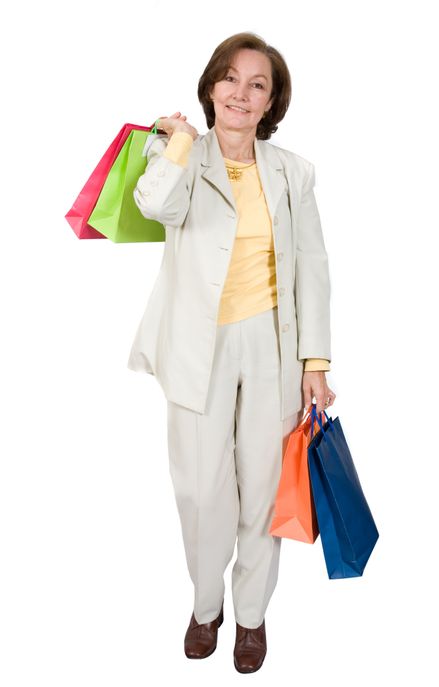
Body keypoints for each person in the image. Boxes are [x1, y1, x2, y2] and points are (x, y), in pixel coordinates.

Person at [128, 31, 336, 673]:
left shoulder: (292, 172)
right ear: (211, 84)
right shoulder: (179, 154)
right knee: (200, 491)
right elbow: (155, 204)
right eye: (230, 78)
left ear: (272, 102)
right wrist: (179, 142)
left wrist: (315, 362)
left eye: (258, 85)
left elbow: (311, 266)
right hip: (199, 345)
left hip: (271, 346)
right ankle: (206, 602)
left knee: (264, 490)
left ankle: (250, 617)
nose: (241, 93)